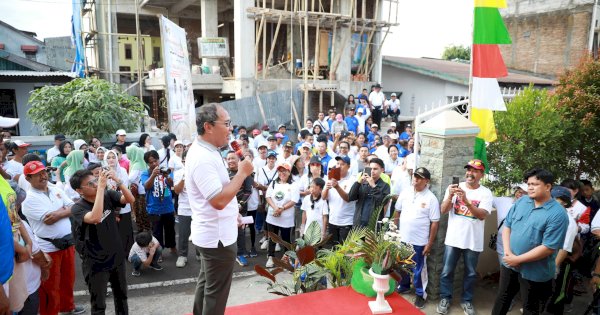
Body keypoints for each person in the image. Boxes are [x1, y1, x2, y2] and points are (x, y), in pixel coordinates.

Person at [185, 103, 254, 315]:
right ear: (208, 127)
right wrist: (242, 173)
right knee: (216, 295)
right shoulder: (202, 157)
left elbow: (220, 194)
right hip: (217, 239)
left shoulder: (210, 150)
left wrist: (233, 214)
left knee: (206, 286)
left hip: (215, 232)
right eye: (226, 124)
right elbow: (218, 200)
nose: (230, 129)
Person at [491, 168, 569, 315]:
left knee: (530, 308)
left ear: (548, 186)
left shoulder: (558, 214)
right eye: (529, 184)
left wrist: (518, 259)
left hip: (536, 271)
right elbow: (507, 226)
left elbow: (548, 247)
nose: (530, 187)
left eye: (535, 184)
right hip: (510, 263)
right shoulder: (522, 202)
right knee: (502, 298)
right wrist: (508, 254)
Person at [21, 161, 85, 315]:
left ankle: (67, 306)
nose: (43, 176)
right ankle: (50, 312)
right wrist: (64, 210)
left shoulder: (55, 188)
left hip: (68, 242)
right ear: (28, 178)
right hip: (48, 247)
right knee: (50, 286)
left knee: (68, 279)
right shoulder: (28, 200)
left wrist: (58, 213)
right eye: (38, 174)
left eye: (44, 172)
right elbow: (48, 219)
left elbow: (74, 206)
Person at [70, 168, 134, 315]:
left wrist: (118, 181)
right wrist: (100, 188)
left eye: (95, 179)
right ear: (80, 191)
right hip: (95, 262)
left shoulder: (107, 195)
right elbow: (95, 217)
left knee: (121, 296)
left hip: (116, 256)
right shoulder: (77, 208)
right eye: (90, 183)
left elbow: (130, 199)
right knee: (99, 305)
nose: (95, 183)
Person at [437, 159, 493, 315]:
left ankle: (466, 301)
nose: (470, 173)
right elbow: (443, 210)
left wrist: (466, 201)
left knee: (470, 273)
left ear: (481, 174)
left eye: (475, 170)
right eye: (469, 169)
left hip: (473, 240)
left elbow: (482, 215)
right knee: (447, 271)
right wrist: (449, 196)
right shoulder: (455, 187)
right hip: (453, 239)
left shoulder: (486, 193)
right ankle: (445, 298)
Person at [393, 167, 439, 309]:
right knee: (402, 265)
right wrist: (395, 233)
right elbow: (397, 211)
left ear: (427, 181)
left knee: (419, 270)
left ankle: (420, 294)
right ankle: (405, 285)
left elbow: (435, 223)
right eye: (414, 176)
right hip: (403, 239)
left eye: (419, 177)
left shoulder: (431, 198)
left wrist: (429, 244)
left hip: (419, 241)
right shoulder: (405, 192)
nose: (416, 179)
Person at [544, 186, 580, 314]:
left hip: (559, 262)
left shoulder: (569, 222)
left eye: (556, 199)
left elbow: (564, 249)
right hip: (545, 261)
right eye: (550, 198)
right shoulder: (549, 215)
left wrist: (553, 269)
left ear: (565, 202)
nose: (551, 201)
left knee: (557, 292)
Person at [265, 162, 299, 268]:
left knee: (286, 239)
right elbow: (268, 196)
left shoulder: (293, 184)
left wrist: (282, 209)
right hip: (273, 216)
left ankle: (286, 258)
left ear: (289, 172)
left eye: (284, 170)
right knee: (272, 238)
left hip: (286, 217)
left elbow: (294, 200)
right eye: (280, 170)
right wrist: (276, 208)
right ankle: (271, 256)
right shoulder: (274, 183)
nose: (282, 173)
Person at [142, 150, 176, 255]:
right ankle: (158, 252)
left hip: (168, 207)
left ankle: (172, 247)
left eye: (155, 161)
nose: (154, 164)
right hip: (154, 209)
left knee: (170, 230)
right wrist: (153, 175)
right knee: (157, 232)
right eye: (150, 162)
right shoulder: (145, 173)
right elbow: (146, 186)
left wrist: (167, 176)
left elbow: (172, 184)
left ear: (159, 160)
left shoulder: (165, 170)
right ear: (147, 163)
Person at [225, 152, 253, 267]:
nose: (230, 161)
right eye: (228, 159)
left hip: (240, 208)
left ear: (238, 161)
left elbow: (248, 191)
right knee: (226, 231)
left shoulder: (245, 174)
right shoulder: (224, 173)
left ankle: (240, 253)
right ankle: (227, 254)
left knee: (240, 231)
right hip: (225, 207)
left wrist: (240, 204)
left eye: (233, 158)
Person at [105, 149, 134, 256]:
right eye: (108, 157)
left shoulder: (122, 170)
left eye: (113, 157)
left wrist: (115, 178)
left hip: (123, 205)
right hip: (109, 207)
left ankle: (128, 253)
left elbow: (125, 187)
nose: (111, 159)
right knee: (112, 231)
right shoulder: (103, 171)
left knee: (125, 230)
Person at [323, 156, 356, 245]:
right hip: (332, 220)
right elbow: (323, 197)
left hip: (346, 222)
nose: (339, 166)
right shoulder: (331, 177)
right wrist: (326, 188)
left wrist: (337, 187)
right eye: (338, 164)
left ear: (348, 166)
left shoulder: (353, 180)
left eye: (342, 164)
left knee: (344, 251)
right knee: (334, 249)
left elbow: (348, 198)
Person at [349, 158, 390, 227]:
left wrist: (373, 186)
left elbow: (383, 202)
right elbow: (351, 197)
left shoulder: (385, 186)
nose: (372, 171)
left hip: (373, 226)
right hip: (358, 224)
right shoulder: (362, 183)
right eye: (371, 169)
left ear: (382, 170)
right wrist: (358, 182)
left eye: (375, 169)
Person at [127, 145, 152, 232]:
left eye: (129, 152)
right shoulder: (141, 162)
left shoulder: (136, 164)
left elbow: (130, 178)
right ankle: (147, 227)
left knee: (139, 210)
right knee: (143, 210)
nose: (127, 154)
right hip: (142, 190)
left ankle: (142, 229)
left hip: (138, 191)